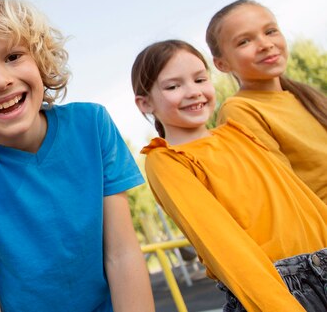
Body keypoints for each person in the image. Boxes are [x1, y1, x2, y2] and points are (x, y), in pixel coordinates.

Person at [0, 0, 154, 312]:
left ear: (41, 61)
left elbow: (122, 255)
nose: (0, 80)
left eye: (13, 56)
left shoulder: (92, 125)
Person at [131, 39, 327, 312]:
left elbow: (300, 197)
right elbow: (224, 247)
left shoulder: (237, 132)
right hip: (282, 289)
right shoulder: (166, 159)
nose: (193, 92)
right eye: (173, 86)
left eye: (200, 79)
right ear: (145, 102)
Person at [206, 0, 327, 202]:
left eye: (270, 31)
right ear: (222, 64)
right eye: (244, 41)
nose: (266, 44)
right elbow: (285, 193)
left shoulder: (304, 96)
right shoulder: (240, 111)